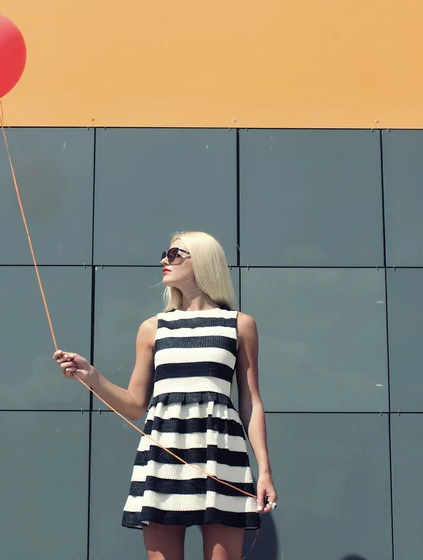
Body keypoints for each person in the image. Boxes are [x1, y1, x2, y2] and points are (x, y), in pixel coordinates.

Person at [54, 231, 277, 560]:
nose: (164, 260)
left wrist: (266, 472)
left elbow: (251, 403)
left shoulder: (239, 325)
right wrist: (91, 376)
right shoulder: (152, 328)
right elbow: (134, 405)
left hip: (222, 456)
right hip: (163, 457)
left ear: (201, 261)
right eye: (165, 253)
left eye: (174, 254)